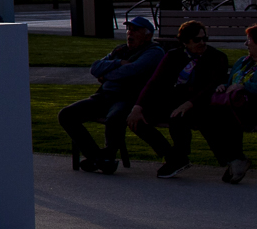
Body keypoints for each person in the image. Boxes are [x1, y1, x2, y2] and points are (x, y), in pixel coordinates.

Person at [60, 14, 165, 174]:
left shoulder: (154, 52)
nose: (130, 33)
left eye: (135, 30)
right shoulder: (120, 51)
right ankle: (98, 158)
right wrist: (117, 63)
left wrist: (106, 75)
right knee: (67, 114)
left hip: (127, 97)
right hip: (103, 96)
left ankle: (106, 157)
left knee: (115, 117)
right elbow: (95, 67)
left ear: (148, 35)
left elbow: (132, 70)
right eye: (129, 29)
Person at [132, 20, 229, 178]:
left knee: (178, 117)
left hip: (200, 103)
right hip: (173, 100)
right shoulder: (174, 56)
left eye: (205, 38)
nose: (202, 42)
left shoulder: (216, 57)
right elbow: (154, 83)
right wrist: (138, 106)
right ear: (185, 42)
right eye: (197, 40)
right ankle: (173, 157)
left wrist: (188, 104)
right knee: (137, 120)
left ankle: (179, 157)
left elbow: (212, 86)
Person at [203, 27, 255, 184]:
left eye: (250, 40)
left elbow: (245, 86)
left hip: (252, 107)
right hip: (233, 105)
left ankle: (235, 160)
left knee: (220, 117)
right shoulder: (242, 61)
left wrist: (245, 87)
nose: (246, 44)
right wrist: (223, 86)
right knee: (203, 117)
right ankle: (235, 160)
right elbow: (231, 81)